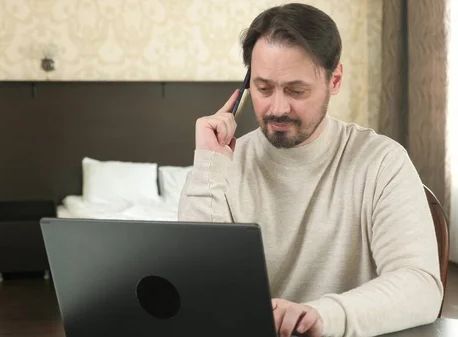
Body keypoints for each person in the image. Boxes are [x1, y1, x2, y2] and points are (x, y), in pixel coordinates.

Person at [178, 3, 443, 337]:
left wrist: (320, 317)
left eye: (296, 90)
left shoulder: (381, 162)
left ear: (335, 80)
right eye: (263, 88)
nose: (277, 108)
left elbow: (421, 287)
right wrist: (208, 167)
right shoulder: (223, 162)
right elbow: (196, 285)